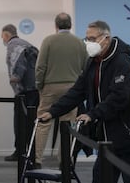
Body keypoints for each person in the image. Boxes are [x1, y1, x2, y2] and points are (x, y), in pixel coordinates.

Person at [39, 20, 130, 183]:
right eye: (87, 39)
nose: (89, 43)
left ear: (106, 38)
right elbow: (78, 91)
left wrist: (92, 114)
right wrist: (52, 111)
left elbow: (119, 97)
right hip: (108, 139)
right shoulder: (92, 62)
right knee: (100, 178)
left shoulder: (121, 61)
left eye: (93, 39)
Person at [34, 12, 88, 169]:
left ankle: (37, 160)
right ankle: (64, 160)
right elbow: (85, 67)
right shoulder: (80, 43)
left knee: (43, 122)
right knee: (68, 124)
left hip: (50, 87)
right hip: (72, 88)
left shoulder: (48, 41)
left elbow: (40, 66)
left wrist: (39, 85)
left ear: (56, 25)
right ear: (70, 25)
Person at [1, 24, 39, 161]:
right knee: (32, 123)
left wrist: (15, 81)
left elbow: (17, 64)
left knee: (20, 122)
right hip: (35, 90)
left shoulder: (13, 44)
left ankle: (20, 152)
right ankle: (31, 152)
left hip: (24, 91)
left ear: (6, 35)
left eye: (2, 37)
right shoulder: (27, 44)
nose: (3, 40)